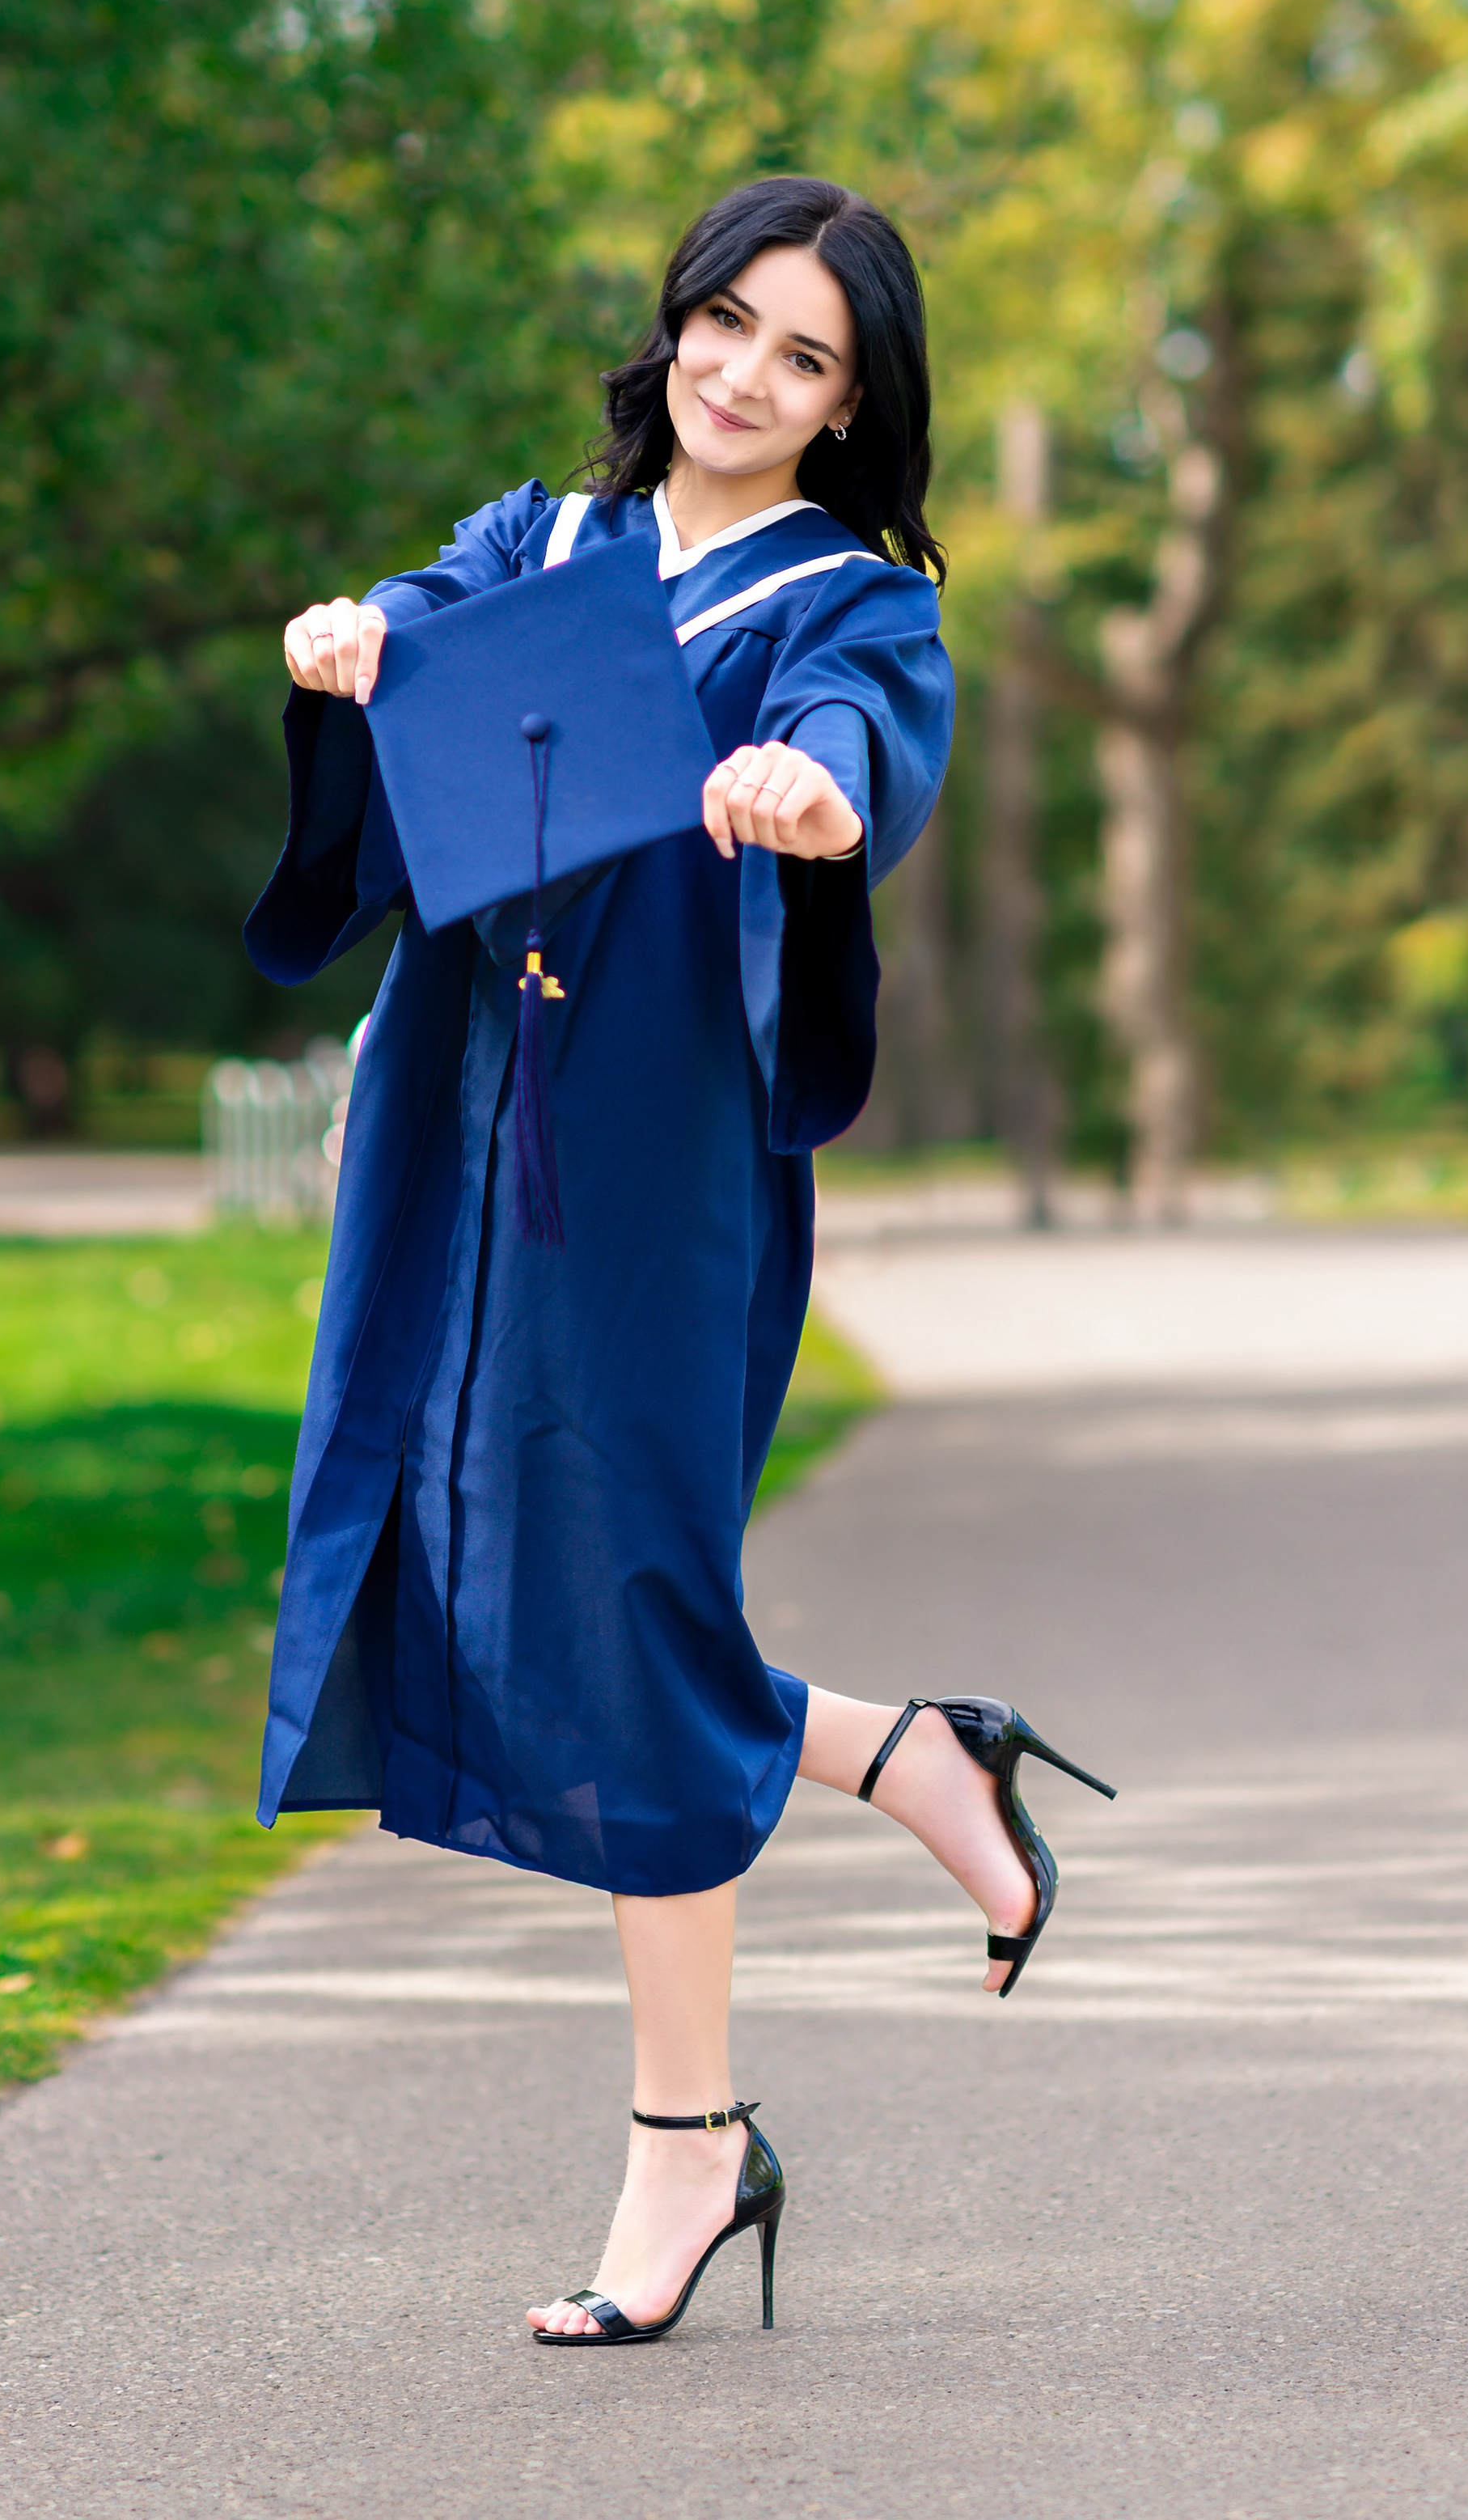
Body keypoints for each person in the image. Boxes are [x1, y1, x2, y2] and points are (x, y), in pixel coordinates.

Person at [253, 174, 1111, 2346]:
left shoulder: (852, 604)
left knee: (619, 1601)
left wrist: (811, 801)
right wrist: (343, 648)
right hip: (458, 1117)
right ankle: (904, 1752)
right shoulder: (542, 545)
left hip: (655, 1155)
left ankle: (686, 2146)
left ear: (852, 404)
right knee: (499, 1559)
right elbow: (404, 639)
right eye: (725, 323)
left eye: (804, 355)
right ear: (677, 324)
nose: (744, 375)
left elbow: (859, 749)